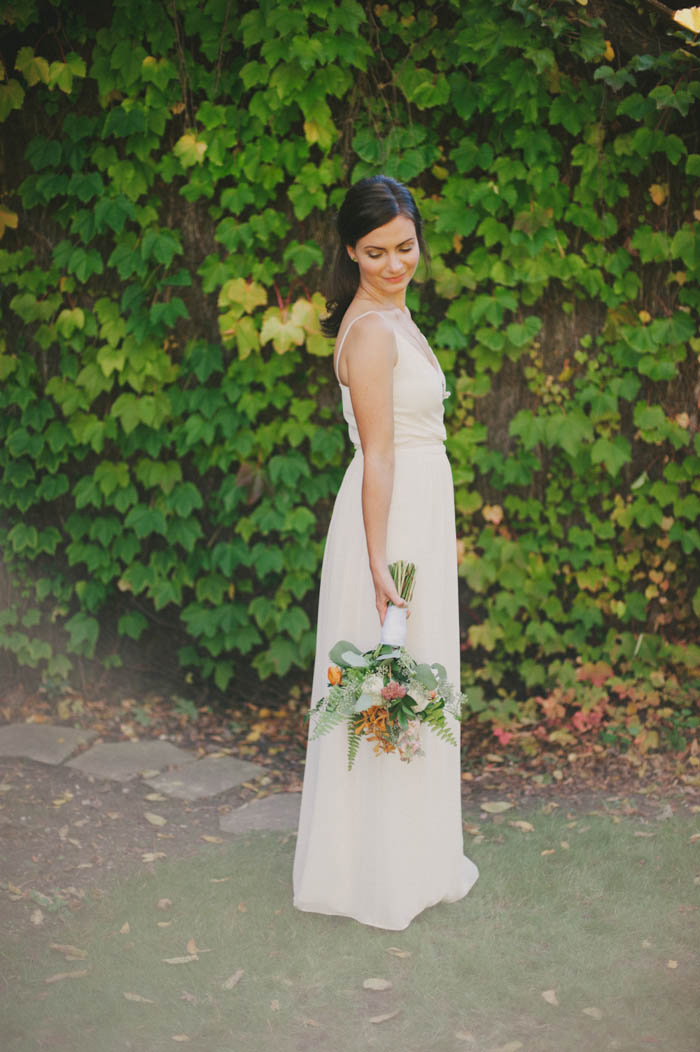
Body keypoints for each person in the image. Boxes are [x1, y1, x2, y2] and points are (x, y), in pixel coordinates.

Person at [292, 175, 479, 930]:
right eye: (376, 252)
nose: (396, 263)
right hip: (391, 519)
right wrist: (378, 562)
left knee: (413, 684)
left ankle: (417, 857)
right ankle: (373, 876)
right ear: (350, 252)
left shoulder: (395, 315)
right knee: (389, 683)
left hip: (419, 508)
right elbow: (377, 456)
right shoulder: (369, 332)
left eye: (405, 246)